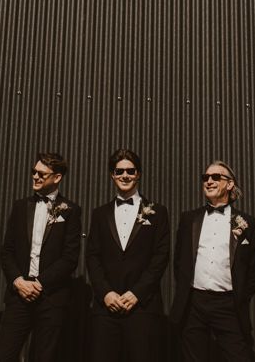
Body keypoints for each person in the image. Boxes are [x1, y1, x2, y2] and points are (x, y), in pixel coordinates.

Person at [0, 152, 81, 361]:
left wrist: (39, 284)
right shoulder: (20, 206)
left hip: (51, 298)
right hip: (18, 295)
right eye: (34, 172)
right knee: (3, 356)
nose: (36, 177)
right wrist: (18, 281)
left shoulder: (70, 211)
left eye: (42, 174)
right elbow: (7, 251)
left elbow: (70, 257)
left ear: (57, 177)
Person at [170, 160, 255, 361]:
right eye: (205, 178)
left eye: (215, 177)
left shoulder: (249, 224)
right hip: (194, 303)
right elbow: (179, 262)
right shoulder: (189, 219)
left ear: (230, 184)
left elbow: (254, 269)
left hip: (228, 304)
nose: (209, 181)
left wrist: (239, 297)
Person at [85, 148, 170, 361]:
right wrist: (106, 293)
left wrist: (137, 293)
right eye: (119, 171)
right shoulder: (99, 214)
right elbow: (92, 256)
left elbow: (160, 257)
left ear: (138, 174)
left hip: (142, 307)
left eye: (130, 171)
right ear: (112, 175)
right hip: (106, 308)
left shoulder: (158, 212)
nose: (125, 176)